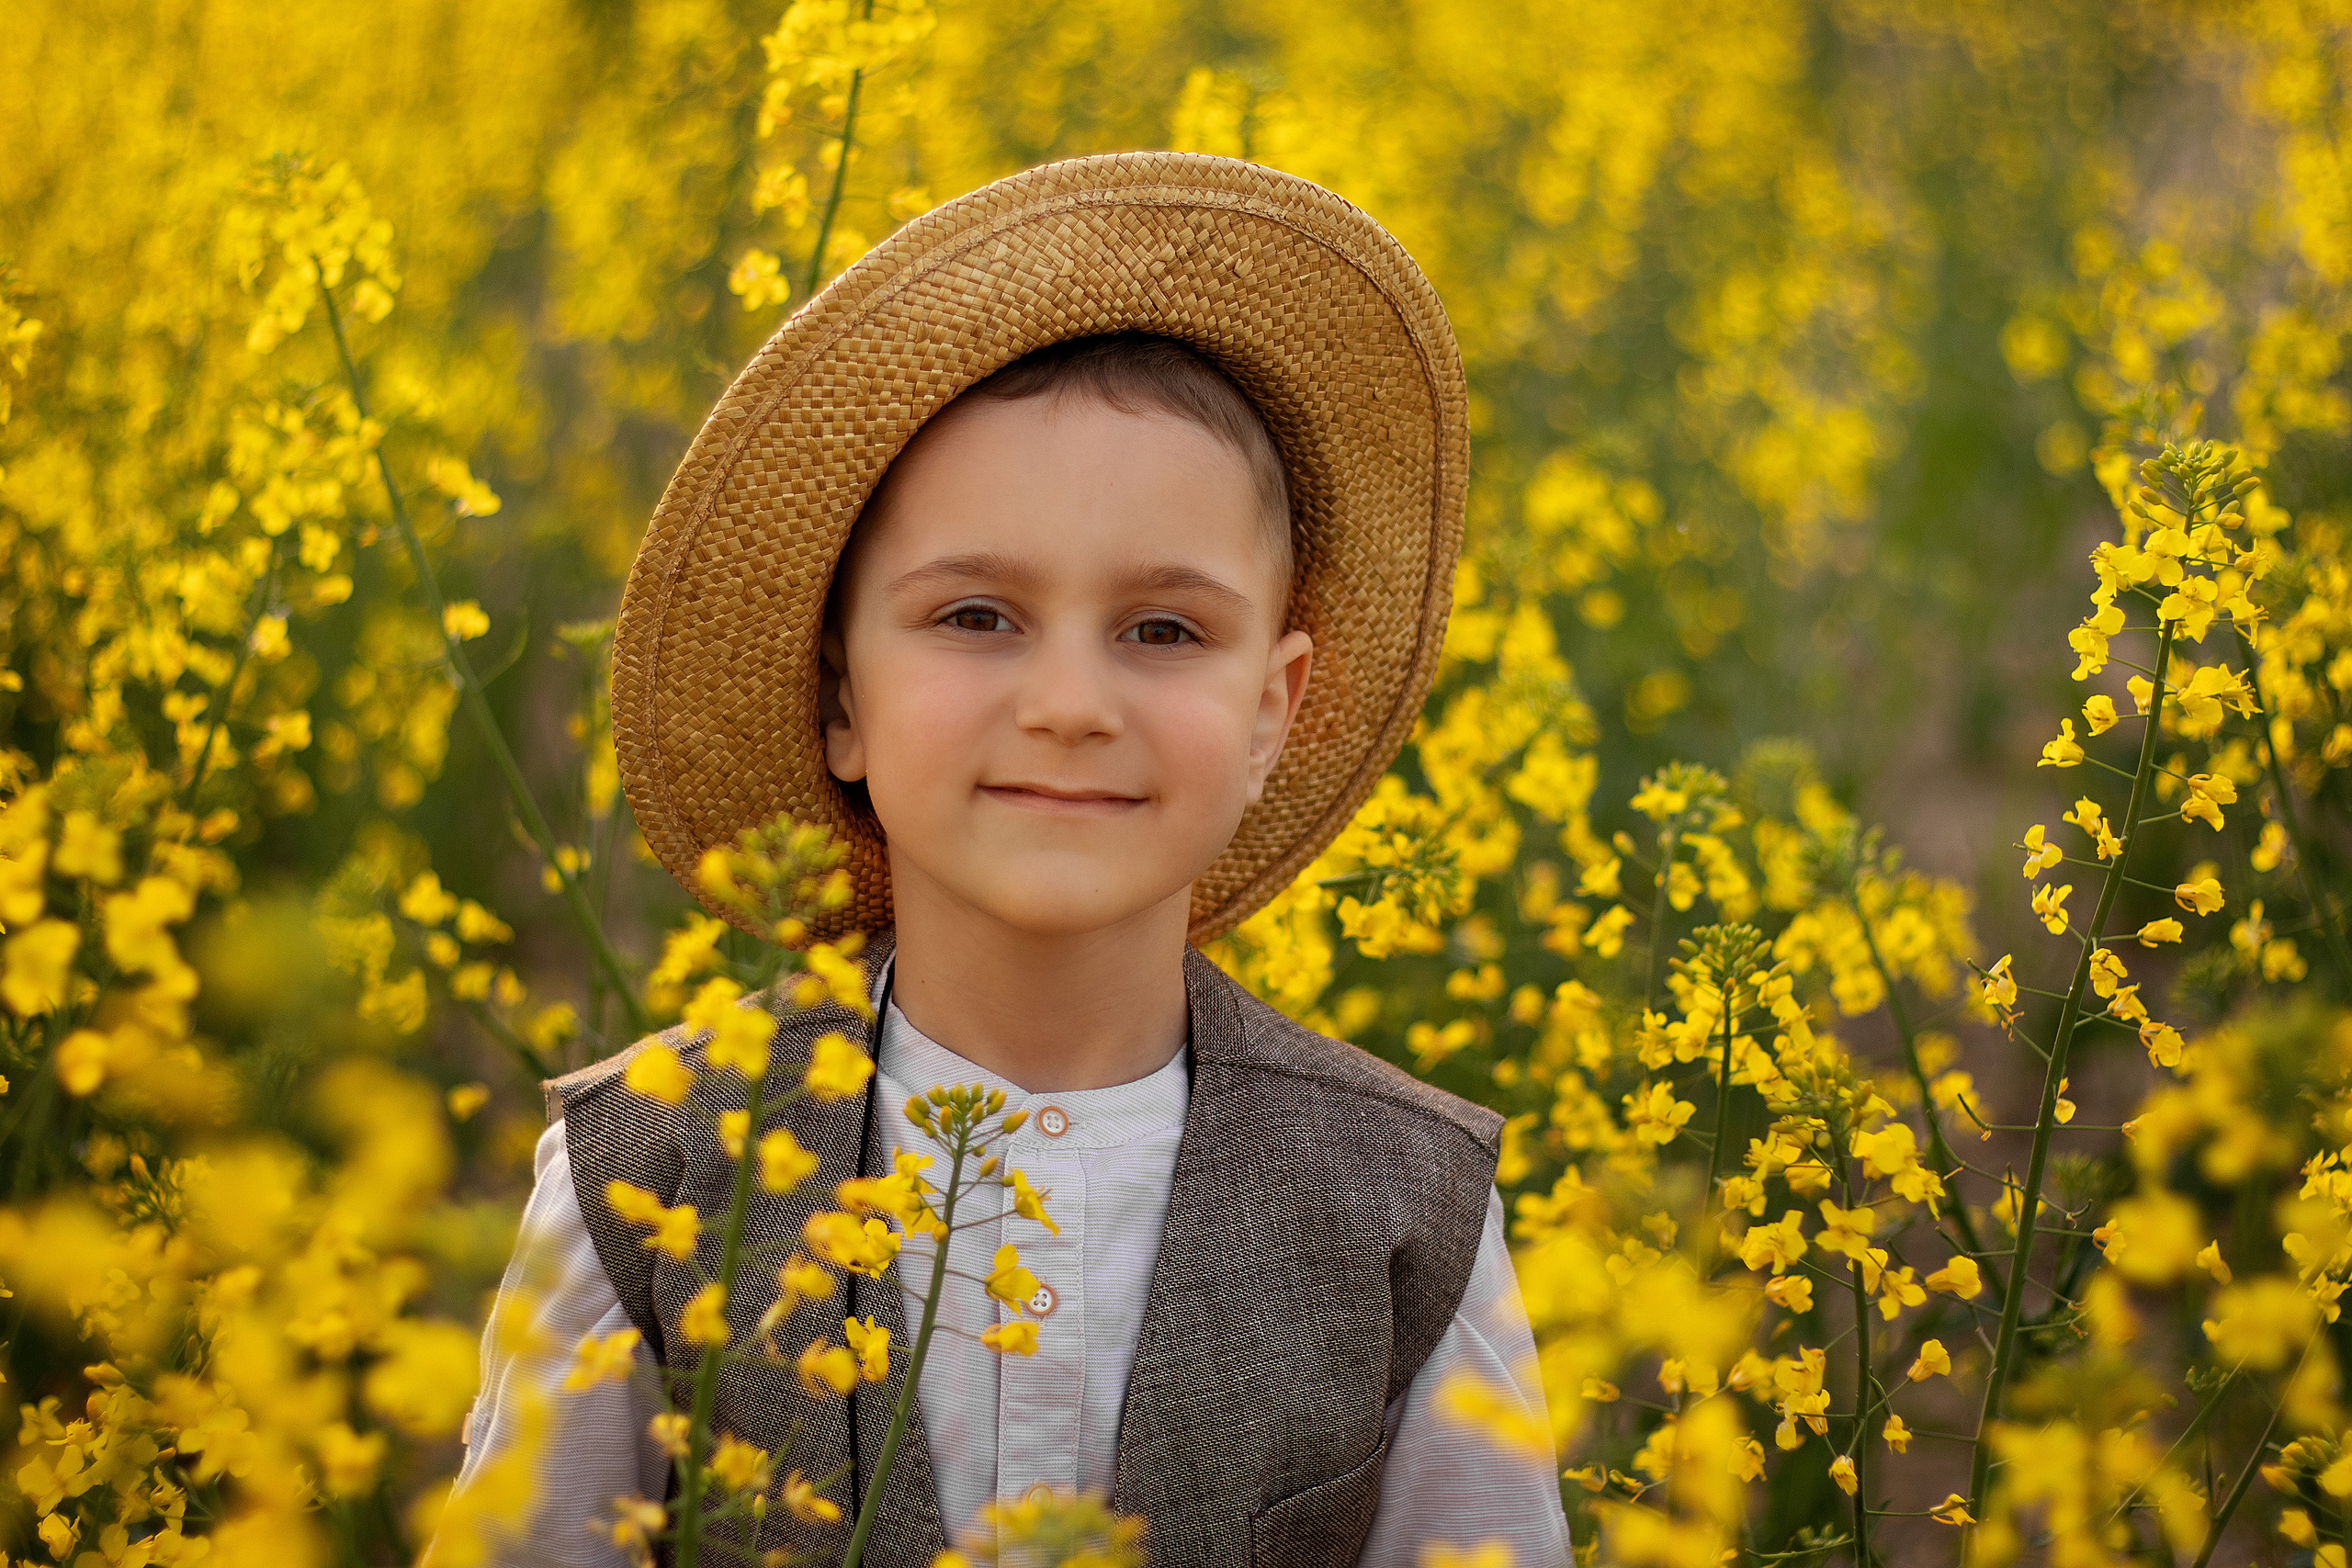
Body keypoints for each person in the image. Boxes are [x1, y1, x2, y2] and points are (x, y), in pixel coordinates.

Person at [453, 152, 1569, 1568]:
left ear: (1272, 713)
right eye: (977, 616)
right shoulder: (645, 1182)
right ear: (840, 698)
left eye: (1165, 630)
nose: (1070, 704)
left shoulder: (1411, 1212)